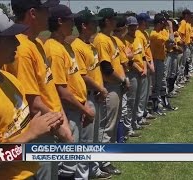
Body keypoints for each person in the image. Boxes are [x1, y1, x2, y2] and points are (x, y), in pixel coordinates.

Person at [0, 7, 63, 180]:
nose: (18, 43)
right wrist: (30, 134)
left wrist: (43, 124)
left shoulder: (10, 79)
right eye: (10, 39)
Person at [3, 0, 74, 179]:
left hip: (51, 123)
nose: (49, 14)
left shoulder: (37, 44)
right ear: (33, 13)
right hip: (38, 131)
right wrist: (61, 128)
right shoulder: (22, 48)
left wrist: (62, 119)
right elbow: (32, 102)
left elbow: (48, 90)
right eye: (46, 10)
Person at [44, 5, 97, 179]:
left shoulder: (64, 46)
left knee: (74, 156)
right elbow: (61, 90)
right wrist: (84, 110)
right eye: (70, 20)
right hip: (69, 110)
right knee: (68, 161)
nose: (73, 24)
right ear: (60, 22)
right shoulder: (54, 49)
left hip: (77, 107)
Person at [72, 9, 112, 179]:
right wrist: (100, 88)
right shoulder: (76, 46)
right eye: (93, 22)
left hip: (97, 95)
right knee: (86, 141)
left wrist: (101, 89)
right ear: (84, 25)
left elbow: (95, 72)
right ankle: (83, 175)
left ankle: (94, 170)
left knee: (94, 138)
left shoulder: (91, 45)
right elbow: (83, 76)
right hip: (87, 96)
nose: (96, 25)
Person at [93, 7, 128, 175]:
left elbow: (118, 63)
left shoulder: (111, 39)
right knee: (106, 126)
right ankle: (102, 161)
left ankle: (105, 158)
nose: (116, 21)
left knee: (111, 125)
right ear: (107, 21)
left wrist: (123, 79)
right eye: (113, 19)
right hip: (109, 87)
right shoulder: (101, 40)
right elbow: (106, 69)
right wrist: (122, 79)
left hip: (117, 86)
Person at [123, 16, 147, 138]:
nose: (133, 28)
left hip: (141, 72)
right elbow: (128, 60)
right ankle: (128, 128)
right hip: (132, 73)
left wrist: (145, 68)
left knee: (138, 100)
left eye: (134, 26)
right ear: (127, 27)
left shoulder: (137, 38)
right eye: (131, 26)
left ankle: (134, 123)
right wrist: (139, 69)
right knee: (131, 102)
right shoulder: (125, 40)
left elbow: (142, 56)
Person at [150, 13, 177, 116]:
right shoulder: (154, 34)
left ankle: (163, 103)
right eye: (163, 23)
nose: (165, 25)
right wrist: (170, 28)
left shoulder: (161, 32)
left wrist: (170, 41)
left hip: (162, 59)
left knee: (162, 83)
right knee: (156, 84)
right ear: (159, 23)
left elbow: (171, 44)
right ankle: (155, 107)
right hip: (155, 61)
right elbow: (171, 40)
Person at [136, 13, 157, 122]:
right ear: (142, 22)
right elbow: (142, 54)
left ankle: (144, 112)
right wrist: (149, 66)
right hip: (144, 66)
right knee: (142, 93)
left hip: (149, 65)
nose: (149, 22)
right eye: (147, 21)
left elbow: (149, 52)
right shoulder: (138, 34)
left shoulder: (145, 33)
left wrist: (152, 64)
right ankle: (139, 116)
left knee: (147, 91)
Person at [178, 9, 193, 84]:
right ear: (186, 15)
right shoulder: (183, 22)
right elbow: (180, 33)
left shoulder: (186, 23)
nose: (190, 16)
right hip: (183, 46)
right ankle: (180, 79)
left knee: (184, 63)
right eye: (189, 14)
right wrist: (182, 42)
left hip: (186, 45)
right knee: (182, 64)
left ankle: (182, 77)